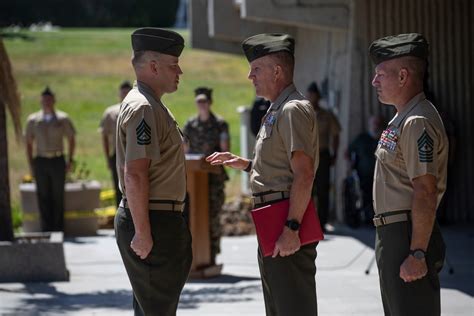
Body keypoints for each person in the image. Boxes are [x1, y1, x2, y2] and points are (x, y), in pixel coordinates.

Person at [207, 33, 319, 316]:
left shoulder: (293, 109)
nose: (249, 76)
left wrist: (292, 228)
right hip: (273, 216)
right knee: (278, 306)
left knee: (293, 305)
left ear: (277, 71)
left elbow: (303, 175)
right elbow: (278, 165)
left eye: (256, 69)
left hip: (285, 217)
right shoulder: (276, 109)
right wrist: (244, 164)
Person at [114, 28, 192, 316]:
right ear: (154, 66)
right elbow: (135, 173)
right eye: (174, 65)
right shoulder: (143, 108)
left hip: (158, 218)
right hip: (152, 219)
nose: (179, 70)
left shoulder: (152, 105)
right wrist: (143, 232)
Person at [369, 33, 448, 315]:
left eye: (380, 74)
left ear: (403, 76)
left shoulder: (417, 122)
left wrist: (416, 253)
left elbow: (425, 190)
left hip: (407, 235)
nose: (374, 81)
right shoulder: (402, 118)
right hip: (395, 234)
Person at [183, 86, 230, 265]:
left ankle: (211, 254)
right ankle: (195, 255)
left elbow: (225, 150)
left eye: (204, 101)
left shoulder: (219, 124)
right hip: (195, 179)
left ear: (210, 102)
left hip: (214, 178)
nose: (201, 105)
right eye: (198, 102)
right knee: (193, 215)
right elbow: (184, 150)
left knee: (213, 216)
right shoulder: (190, 124)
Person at [25, 86, 76, 232]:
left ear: (54, 100)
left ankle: (58, 228)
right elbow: (28, 143)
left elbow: (71, 139)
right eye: (44, 99)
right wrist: (31, 163)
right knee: (43, 194)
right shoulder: (33, 120)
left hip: (57, 159)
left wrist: (70, 159)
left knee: (58, 195)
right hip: (41, 160)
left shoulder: (62, 119)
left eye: (49, 99)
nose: (47, 102)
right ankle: (46, 229)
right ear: (41, 101)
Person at [306, 81, 341, 231]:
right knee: (306, 190)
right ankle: (308, 222)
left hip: (323, 154)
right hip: (306, 156)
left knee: (323, 190)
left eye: (314, 95)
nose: (312, 98)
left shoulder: (327, 115)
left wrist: (335, 154)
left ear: (318, 97)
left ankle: (322, 222)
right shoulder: (303, 114)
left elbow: (335, 134)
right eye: (310, 95)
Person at [99, 80, 132, 207]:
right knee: (118, 185)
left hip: (134, 153)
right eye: (123, 92)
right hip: (117, 154)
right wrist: (107, 157)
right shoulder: (111, 112)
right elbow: (105, 136)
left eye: (127, 92)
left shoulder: (139, 109)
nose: (125, 95)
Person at [347, 115, 385, 224]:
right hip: (364, 175)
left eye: (378, 124)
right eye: (374, 123)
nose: (375, 126)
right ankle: (367, 219)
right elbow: (348, 152)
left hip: (382, 176)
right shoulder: (361, 139)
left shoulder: (385, 138)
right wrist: (351, 167)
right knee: (366, 197)